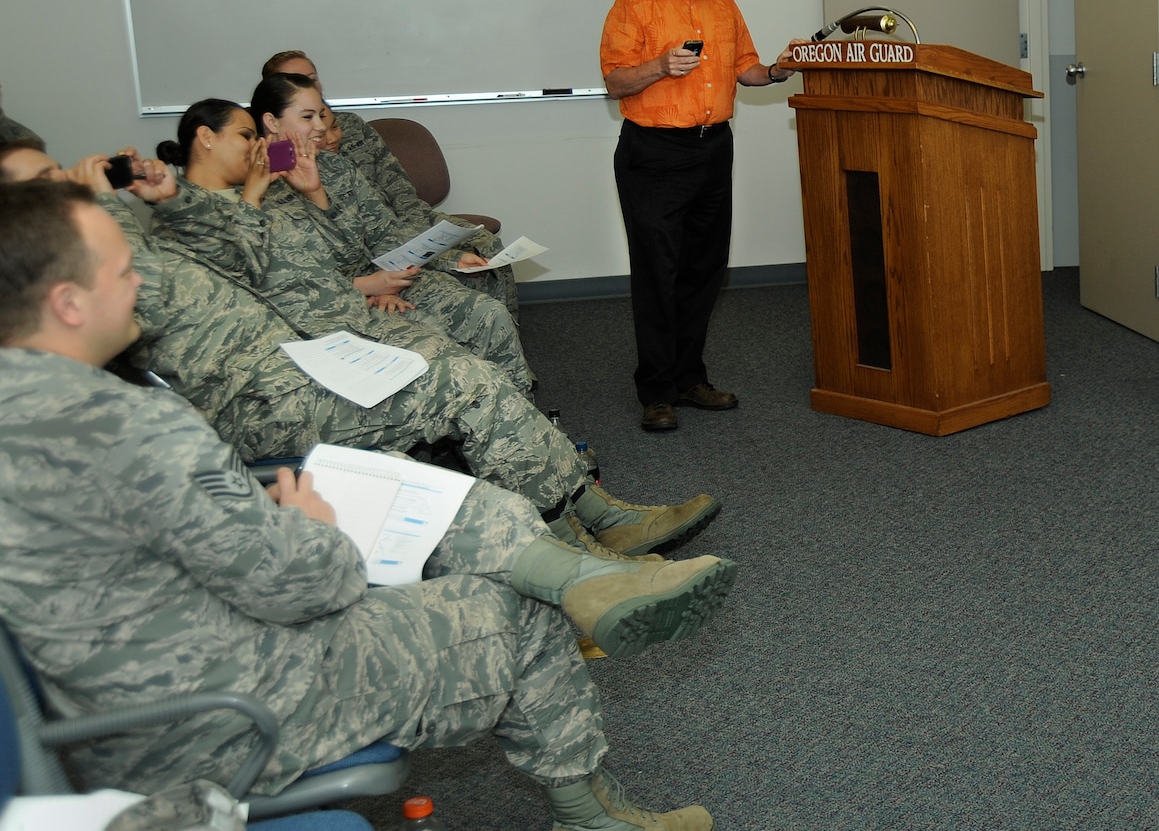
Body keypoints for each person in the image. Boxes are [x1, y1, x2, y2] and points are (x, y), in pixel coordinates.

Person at [0, 179, 735, 831]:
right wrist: (310, 528)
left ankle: (582, 574)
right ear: (67, 303)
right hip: (221, 713)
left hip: (128, 706)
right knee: (513, 611)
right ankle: (595, 826)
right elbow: (309, 585)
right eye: (123, 269)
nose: (138, 282)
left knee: (423, 497)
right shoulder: (125, 425)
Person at [0, 141, 716, 558]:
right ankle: (583, 545)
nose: (63, 177)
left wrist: (172, 198)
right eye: (40, 183)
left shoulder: (127, 229)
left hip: (299, 360)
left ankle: (588, 514)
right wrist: (102, 209)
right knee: (461, 381)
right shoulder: (81, 260)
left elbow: (247, 245)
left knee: (461, 367)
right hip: (262, 398)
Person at [152, 96, 536, 396]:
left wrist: (315, 196)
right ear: (206, 138)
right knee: (449, 359)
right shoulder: (196, 218)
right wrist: (365, 288)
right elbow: (261, 290)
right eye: (247, 136)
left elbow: (331, 253)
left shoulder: (267, 191)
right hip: (303, 339)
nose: (258, 147)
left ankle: (522, 421)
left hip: (349, 301)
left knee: (477, 323)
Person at [600, 0, 795, 433]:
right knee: (658, 273)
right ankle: (657, 390)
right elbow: (615, 81)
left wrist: (779, 69)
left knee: (704, 271)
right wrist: (660, 66)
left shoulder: (721, 3)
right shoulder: (632, 5)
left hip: (713, 149)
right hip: (654, 154)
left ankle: (689, 378)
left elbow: (746, 70)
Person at [259, 50, 517, 317]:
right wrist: (373, 282)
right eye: (294, 81)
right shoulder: (264, 181)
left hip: (396, 233)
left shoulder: (342, 148)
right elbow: (323, 257)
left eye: (310, 78)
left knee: (483, 251)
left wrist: (427, 243)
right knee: (468, 310)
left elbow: (397, 189)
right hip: (362, 269)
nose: (324, 131)